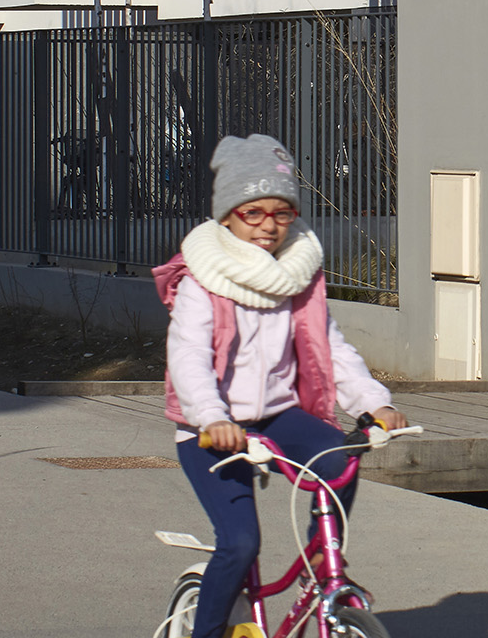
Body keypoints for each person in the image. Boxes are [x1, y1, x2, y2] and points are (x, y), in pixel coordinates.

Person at [155, 134, 409, 638]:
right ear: (228, 215)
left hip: (277, 416)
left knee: (339, 459)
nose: (268, 225)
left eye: (281, 212)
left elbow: (331, 348)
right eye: (253, 212)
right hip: (212, 429)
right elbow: (187, 358)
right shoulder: (203, 278)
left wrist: (377, 404)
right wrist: (211, 417)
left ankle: (322, 571)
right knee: (240, 543)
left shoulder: (300, 272)